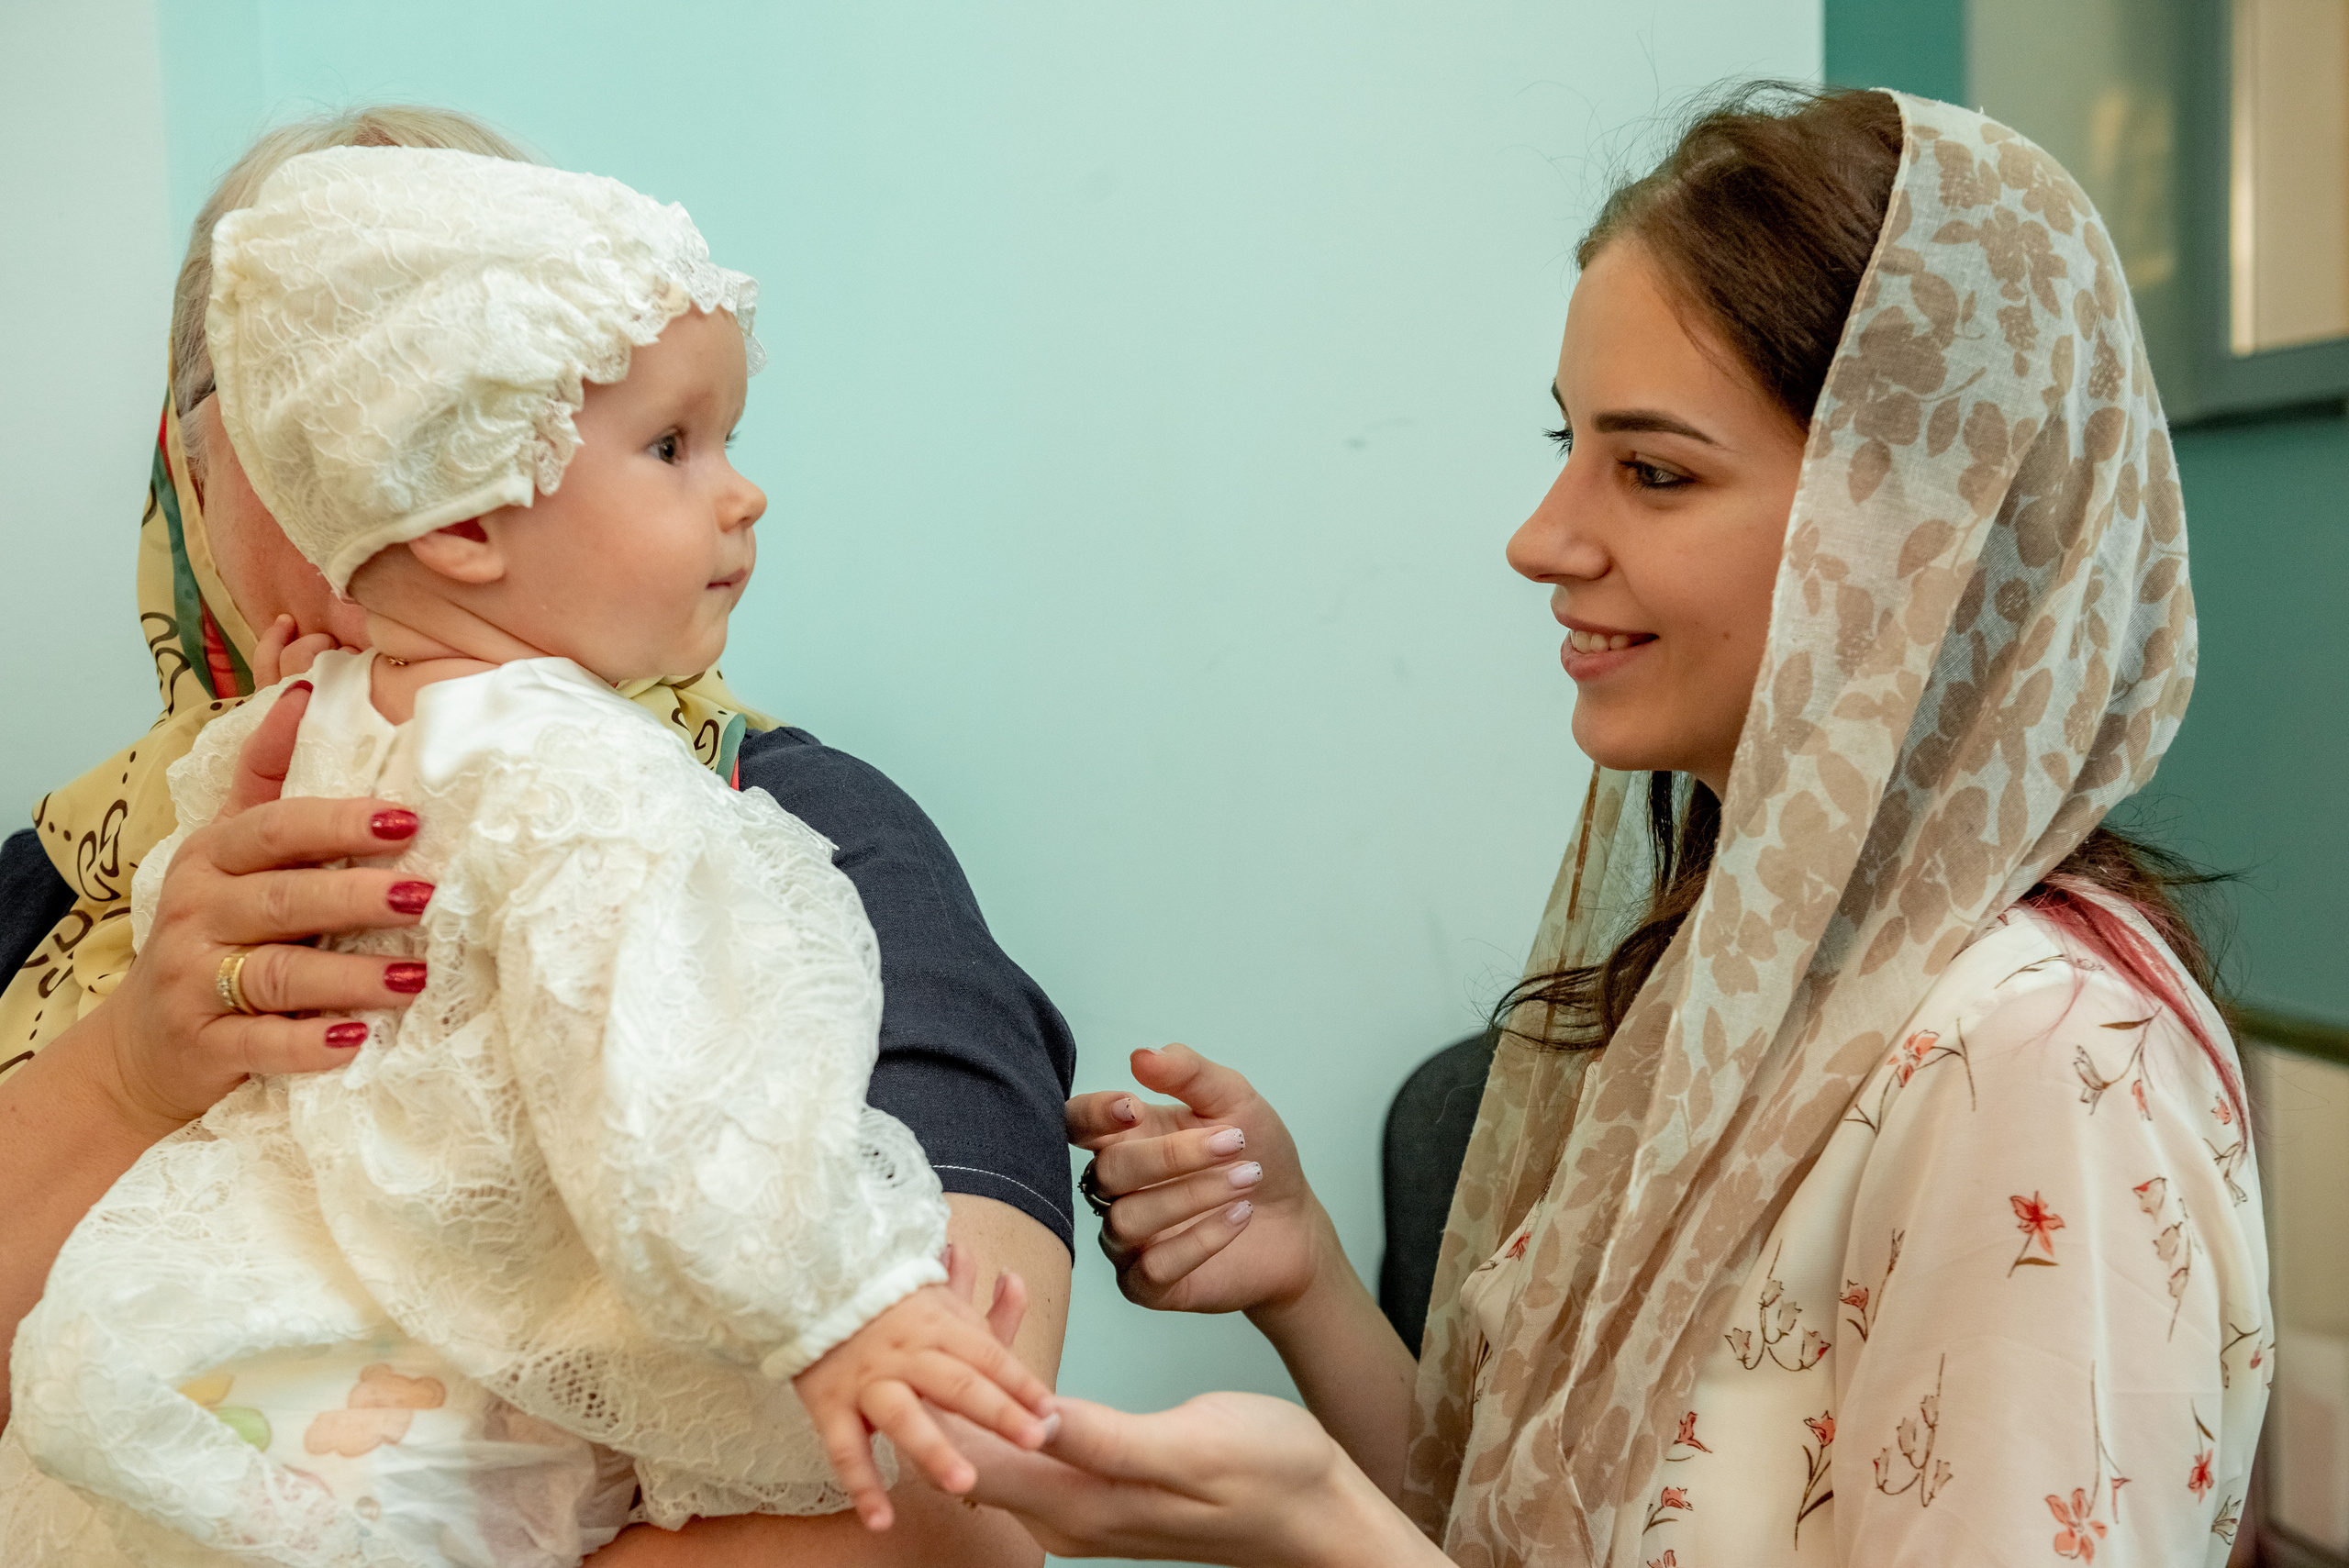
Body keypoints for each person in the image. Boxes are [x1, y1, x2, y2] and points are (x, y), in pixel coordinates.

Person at [961, 87, 2271, 1568]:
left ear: (1916, 535)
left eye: (1653, 471)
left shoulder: (2043, 1061)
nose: (1542, 538)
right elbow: (1519, 1540)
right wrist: (1302, 1270)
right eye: (1567, 441)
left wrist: (1319, 1524)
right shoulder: (1746, 983)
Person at [0, 107, 1074, 1568]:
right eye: (297, 398)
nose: (363, 466)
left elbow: (941, 1491)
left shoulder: (779, 831)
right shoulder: (68, 880)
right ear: (188, 479)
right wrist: (132, 1066)